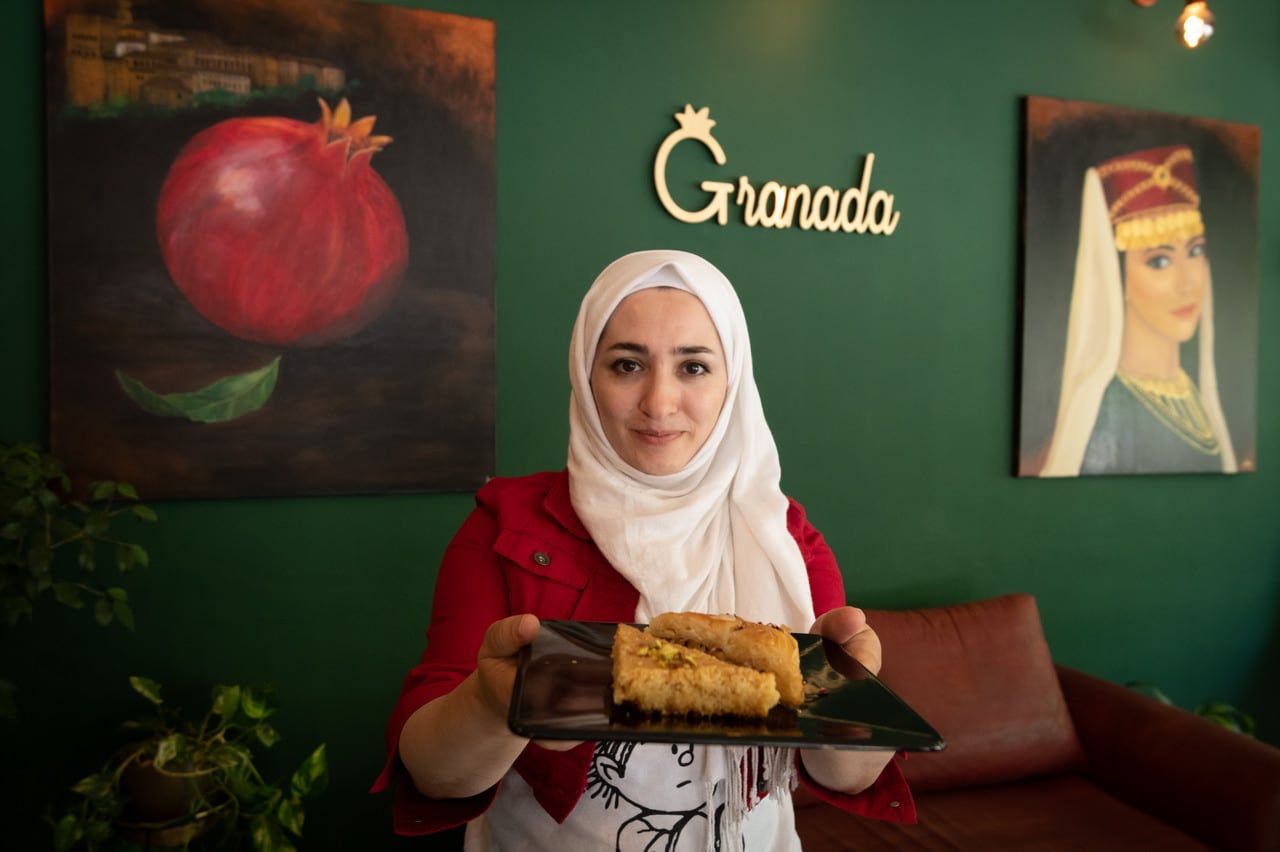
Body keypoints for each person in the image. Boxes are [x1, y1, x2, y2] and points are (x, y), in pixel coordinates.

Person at [372, 250, 913, 850]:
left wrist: (852, 693)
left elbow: (845, 774)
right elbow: (435, 776)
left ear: (733, 382)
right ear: (586, 375)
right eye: (627, 365)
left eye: (694, 367)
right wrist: (489, 703)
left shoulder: (785, 538)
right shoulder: (505, 525)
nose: (659, 402)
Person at [1040, 144, 1237, 476]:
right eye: (1159, 261)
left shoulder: (1191, 393)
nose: (1186, 284)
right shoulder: (1105, 412)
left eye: (1195, 252)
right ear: (1116, 277)